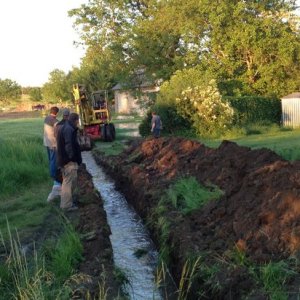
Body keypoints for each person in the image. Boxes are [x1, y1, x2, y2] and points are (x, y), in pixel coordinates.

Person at [56, 113, 82, 211]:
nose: (77, 123)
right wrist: (72, 158)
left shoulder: (67, 127)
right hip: (68, 161)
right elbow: (69, 145)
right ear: (75, 120)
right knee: (68, 182)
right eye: (77, 121)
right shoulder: (69, 129)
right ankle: (66, 205)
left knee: (70, 182)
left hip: (66, 160)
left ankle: (67, 202)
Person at [43, 106, 61, 202]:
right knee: (54, 162)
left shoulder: (46, 118)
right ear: (56, 113)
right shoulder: (55, 121)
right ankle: (55, 177)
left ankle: (53, 175)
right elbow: (58, 132)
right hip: (53, 144)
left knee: (51, 160)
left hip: (46, 143)